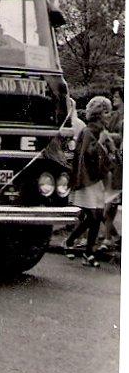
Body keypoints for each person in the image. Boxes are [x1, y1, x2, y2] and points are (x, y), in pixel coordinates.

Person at [64, 95, 114, 267]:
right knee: (93, 215)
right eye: (107, 112)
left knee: (96, 215)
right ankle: (81, 248)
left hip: (97, 178)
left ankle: (82, 248)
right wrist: (101, 143)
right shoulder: (88, 131)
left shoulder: (102, 131)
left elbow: (108, 157)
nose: (110, 115)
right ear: (99, 113)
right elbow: (87, 155)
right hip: (87, 178)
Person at [100, 86, 123, 250]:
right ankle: (113, 236)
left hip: (118, 162)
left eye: (117, 96)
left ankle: (109, 237)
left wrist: (108, 136)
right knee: (106, 202)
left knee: (109, 202)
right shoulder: (115, 115)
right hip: (111, 161)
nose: (114, 98)